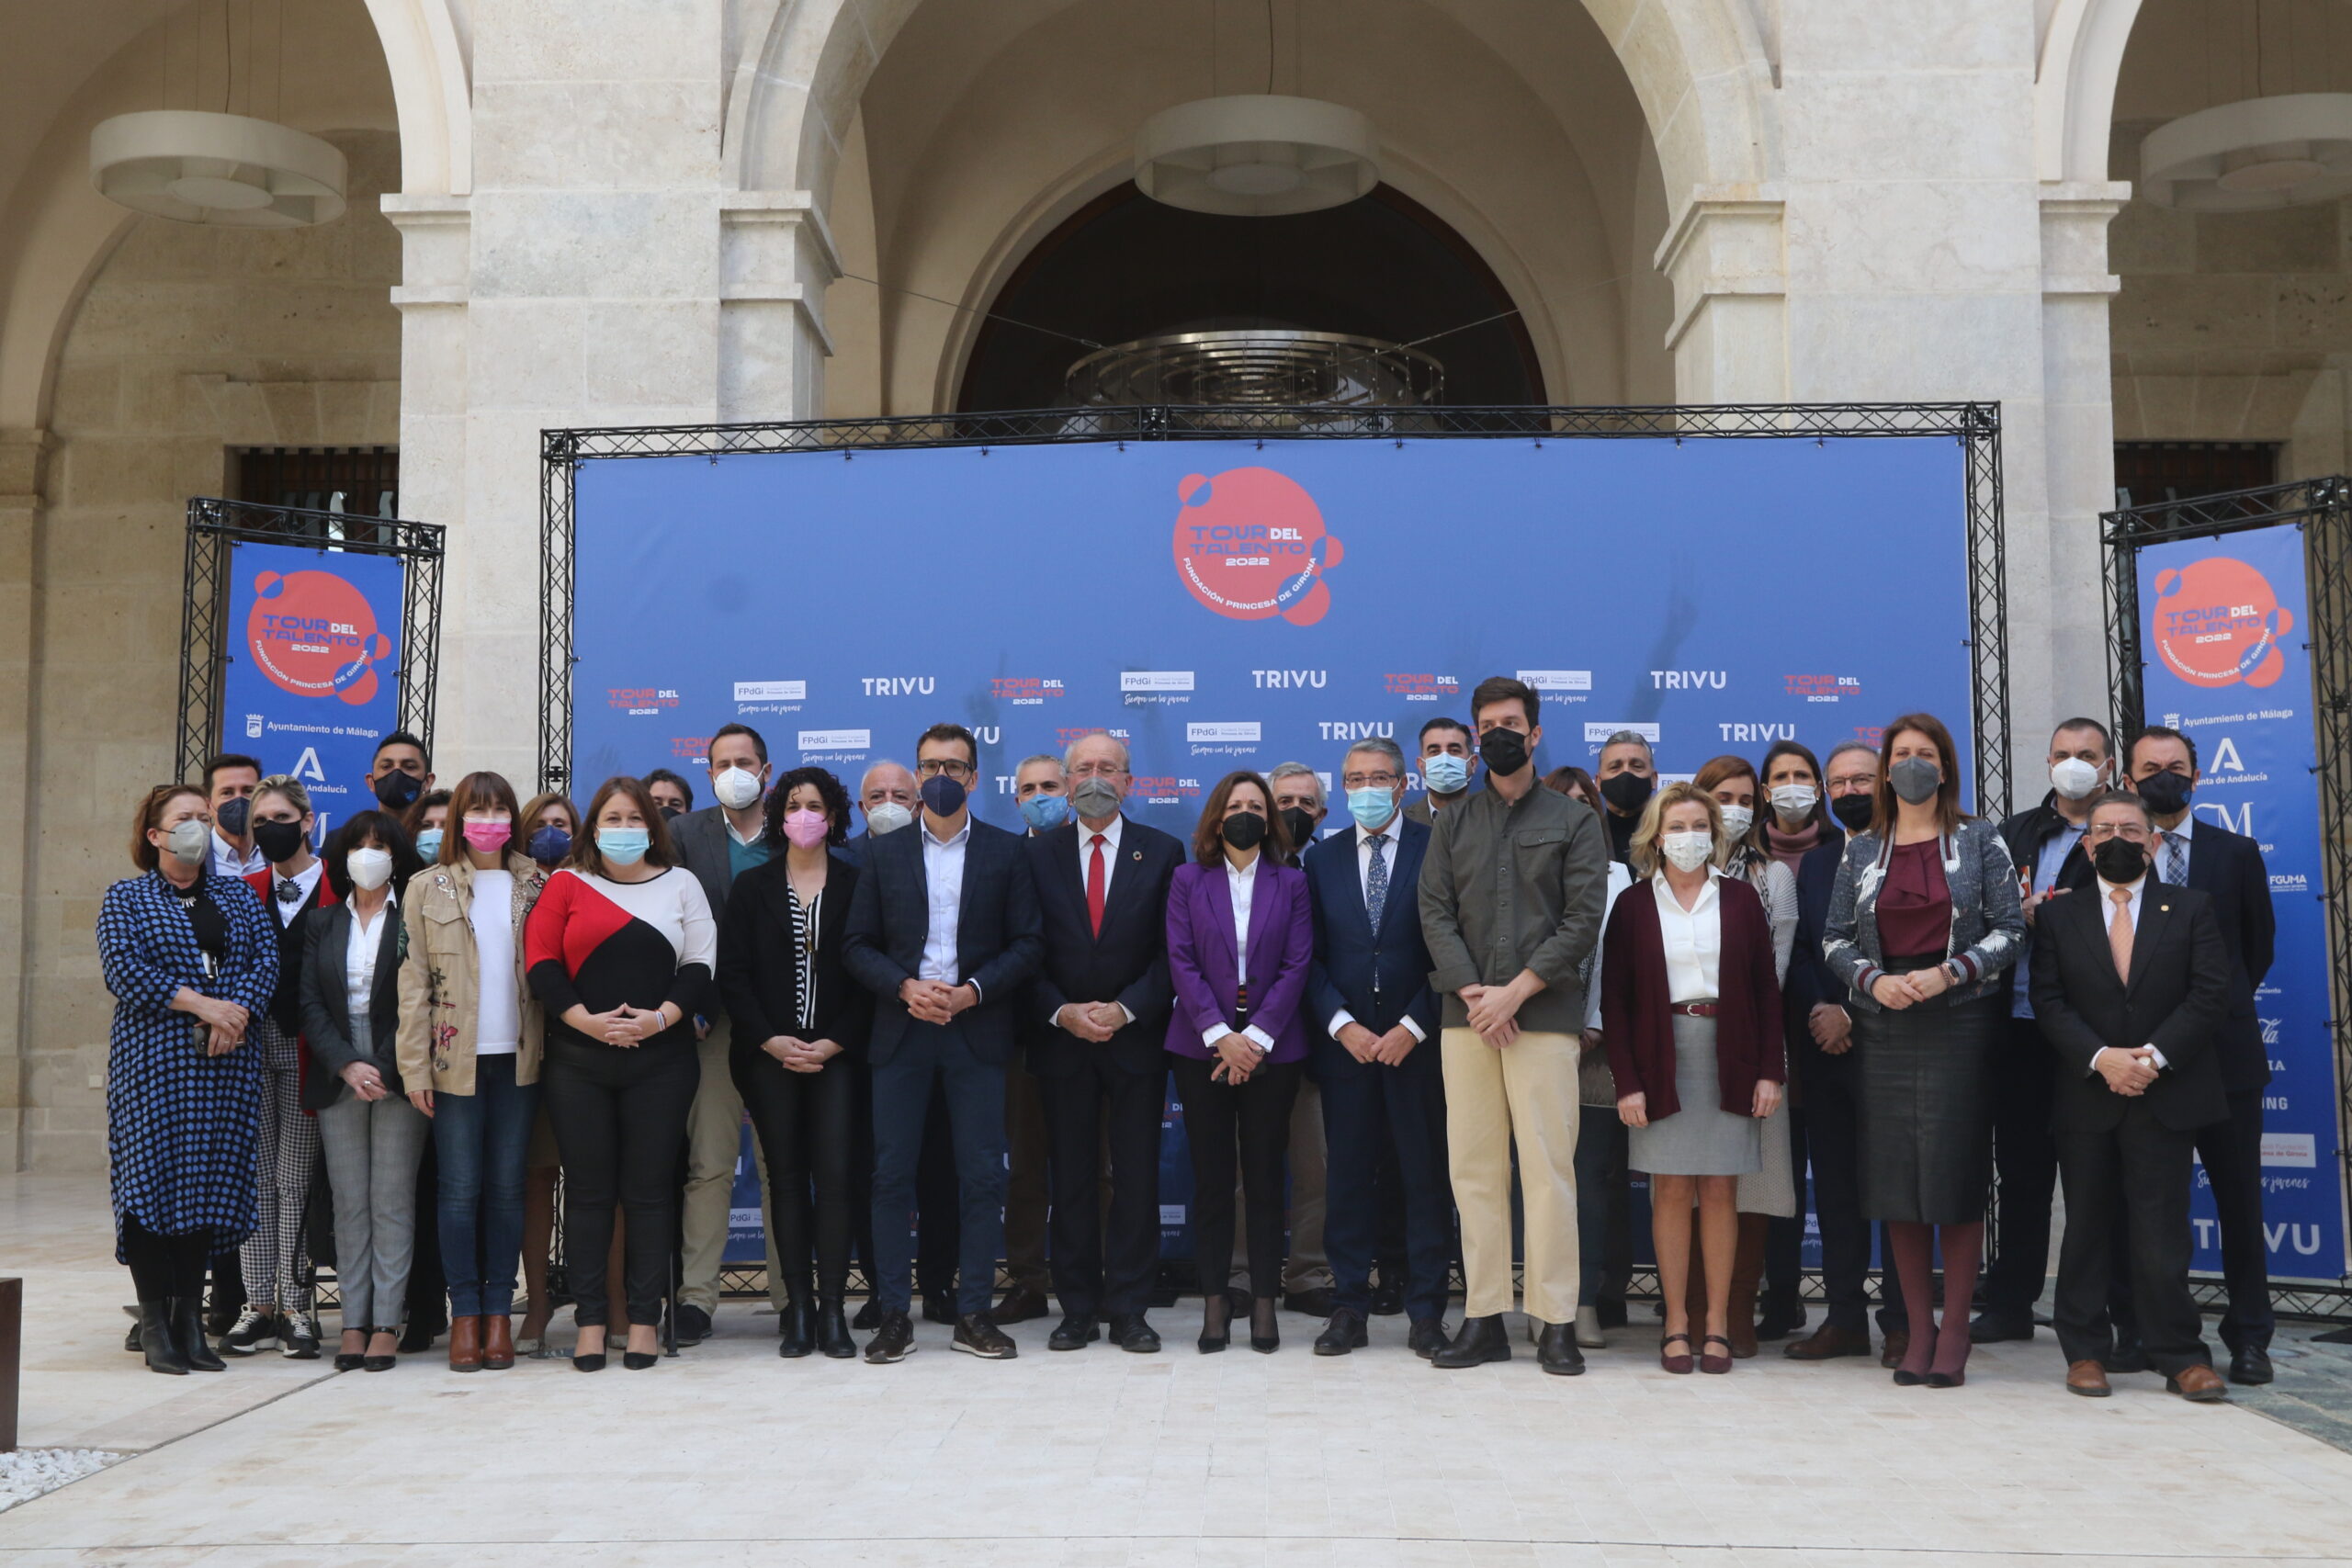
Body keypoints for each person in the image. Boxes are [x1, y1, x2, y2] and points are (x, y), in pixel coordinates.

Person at [1824, 713, 2025, 1388]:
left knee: (1954, 1177)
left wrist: (1950, 972)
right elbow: (1832, 940)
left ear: (1945, 766)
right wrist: (1874, 981)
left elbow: (2010, 930)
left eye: (1925, 753)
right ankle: (1917, 1328)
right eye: (1901, 752)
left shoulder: (1980, 838)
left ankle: (1957, 1328)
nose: (1912, 762)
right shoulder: (1861, 850)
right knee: (1895, 1183)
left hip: (1959, 1022)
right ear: (1887, 768)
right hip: (1882, 1024)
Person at [1418, 675, 1607, 1375]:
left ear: (1534, 733)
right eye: (1485, 725)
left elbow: (1583, 918)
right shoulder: (1453, 823)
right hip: (1465, 1019)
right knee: (1473, 1169)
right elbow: (1434, 912)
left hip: (1544, 1016)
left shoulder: (1574, 819)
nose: (1497, 734)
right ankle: (1485, 1316)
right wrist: (1476, 994)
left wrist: (1516, 992)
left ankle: (1555, 1319)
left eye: (1510, 723)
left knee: (1548, 1169)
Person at [842, 723, 1043, 1362]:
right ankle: (895, 1313)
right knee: (891, 1175)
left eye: (955, 767)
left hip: (975, 1031)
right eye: (931, 764)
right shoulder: (883, 853)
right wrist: (904, 987)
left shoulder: (1009, 853)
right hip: (902, 1032)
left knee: (982, 1176)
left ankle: (974, 1310)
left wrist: (973, 990)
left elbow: (1029, 944)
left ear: (975, 778)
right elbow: (855, 945)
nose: (941, 776)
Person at [2029, 790, 2231, 1403]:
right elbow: (2048, 1000)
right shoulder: (2059, 916)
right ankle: (2086, 1351)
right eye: (2104, 828)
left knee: (2161, 1230)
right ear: (2087, 844)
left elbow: (2209, 993)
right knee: (2086, 1225)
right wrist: (2102, 1058)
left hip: (2164, 1092)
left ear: (2153, 841)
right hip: (2088, 1092)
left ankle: (2180, 1355)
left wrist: (2151, 1058)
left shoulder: (2192, 907)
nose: (2118, 837)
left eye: (2131, 827)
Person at [526, 775, 716, 1372]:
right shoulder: (565, 882)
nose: (625, 830)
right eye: (613, 818)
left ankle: (642, 1320)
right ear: (594, 826)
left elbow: (701, 964)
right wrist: (588, 1022)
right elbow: (541, 962)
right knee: (587, 1194)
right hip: (578, 1061)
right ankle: (588, 1321)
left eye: (636, 819)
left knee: (649, 1193)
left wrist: (658, 1020)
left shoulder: (682, 884)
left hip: (662, 1060)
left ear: (652, 828)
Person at [1603, 784, 1785, 1375]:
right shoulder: (1632, 905)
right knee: (1672, 1191)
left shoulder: (1739, 900)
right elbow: (1617, 1002)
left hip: (1729, 1050)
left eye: (1697, 826)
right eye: (1676, 827)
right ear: (1656, 836)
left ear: (1715, 833)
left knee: (1720, 1192)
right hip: (1661, 1053)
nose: (1688, 837)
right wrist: (1626, 1082)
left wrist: (1769, 1071)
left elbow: (1765, 990)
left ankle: (1717, 1327)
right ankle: (1676, 1323)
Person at [99, 784, 277, 1375]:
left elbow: (264, 963)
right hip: (153, 1065)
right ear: (155, 835)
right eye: (187, 818)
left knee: (205, 1191)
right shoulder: (126, 898)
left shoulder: (237, 895)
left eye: (205, 817)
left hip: (226, 1065)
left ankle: (188, 1324)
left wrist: (237, 1012)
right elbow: (123, 969)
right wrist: (203, 1006)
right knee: (152, 1188)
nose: (200, 825)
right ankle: (154, 1324)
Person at [2125, 726, 2277, 1384]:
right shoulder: (2115, 850)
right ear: (2129, 780)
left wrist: (2206, 1017)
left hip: (2227, 1060)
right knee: (2149, 1208)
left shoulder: (2236, 852)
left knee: (2240, 1201)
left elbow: (2256, 948)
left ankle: (2248, 1337)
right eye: (2151, 767)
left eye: (2177, 766)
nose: (2165, 776)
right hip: (2143, 1063)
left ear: (2197, 776)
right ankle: (2145, 1329)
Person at [1024, 734, 1183, 1352]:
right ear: (1066, 782)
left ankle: (1130, 1308)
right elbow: (1024, 948)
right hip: (1062, 1040)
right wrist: (1063, 1011)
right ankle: (1078, 1308)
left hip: (1135, 1040)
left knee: (1137, 1178)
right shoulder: (1036, 857)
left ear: (1130, 781)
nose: (1095, 778)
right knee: (1072, 1180)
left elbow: (1174, 953)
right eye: (1083, 769)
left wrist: (1123, 1009)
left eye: (1108, 769)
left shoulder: (1162, 851)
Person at [395, 771, 550, 1373]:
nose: (488, 819)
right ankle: (465, 1315)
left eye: (499, 809)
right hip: (451, 1060)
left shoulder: (536, 883)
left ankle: (496, 1314)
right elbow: (412, 986)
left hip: (520, 1059)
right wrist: (414, 1069)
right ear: (459, 817)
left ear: (513, 818)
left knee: (508, 1190)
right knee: (460, 1191)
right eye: (476, 809)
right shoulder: (425, 886)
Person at [1302, 738, 1449, 1358]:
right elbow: (1303, 957)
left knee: (1424, 1181)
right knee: (1349, 1182)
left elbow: (1452, 947)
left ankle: (1426, 1312)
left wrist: (1412, 1026)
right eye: (1354, 778)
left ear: (1402, 783)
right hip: (1348, 1050)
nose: (1366, 787)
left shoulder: (1437, 848)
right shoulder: (1322, 859)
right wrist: (1342, 1024)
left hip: (1419, 1045)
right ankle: (1348, 1306)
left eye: (1378, 777)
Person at [718, 767, 869, 1359]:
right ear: (779, 816)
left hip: (839, 1056)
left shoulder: (859, 883)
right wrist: (770, 1040)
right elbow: (733, 974)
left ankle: (834, 1309)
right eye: (794, 805)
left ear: (833, 817)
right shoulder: (753, 888)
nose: (804, 815)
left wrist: (834, 1042)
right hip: (768, 1057)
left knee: (833, 1181)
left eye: (816, 806)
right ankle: (798, 1310)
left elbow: (869, 970)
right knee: (784, 1181)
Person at [1165, 771, 1314, 1354]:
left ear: (1270, 818)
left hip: (1274, 1050)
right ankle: (1214, 1303)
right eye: (1235, 805)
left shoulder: (1292, 881)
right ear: (1216, 817)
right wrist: (1221, 1036)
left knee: (1264, 1180)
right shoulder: (1186, 879)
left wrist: (1256, 1040)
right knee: (1210, 1181)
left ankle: (1264, 1305)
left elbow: (1298, 964)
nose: (1246, 814)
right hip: (1200, 1046)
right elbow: (1180, 959)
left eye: (1257, 805)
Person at [1976, 718, 2109, 1347]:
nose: (2074, 764)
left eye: (2087, 755)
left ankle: (2101, 1309)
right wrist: (2017, 915)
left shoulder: (2121, 830)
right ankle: (2010, 1303)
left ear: (2108, 766)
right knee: (2022, 1174)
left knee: (2095, 1178)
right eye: (2063, 754)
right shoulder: (2015, 832)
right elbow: (1979, 916)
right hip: (2020, 1029)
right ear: (2047, 760)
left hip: (2093, 1034)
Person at [1779, 740, 1909, 1365]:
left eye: (1863, 778)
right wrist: (1822, 1011)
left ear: (1884, 781)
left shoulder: (1916, 850)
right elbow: (1803, 948)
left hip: (1897, 1046)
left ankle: (1905, 1321)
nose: (1851, 789)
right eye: (1840, 782)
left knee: (1900, 1190)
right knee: (1835, 1189)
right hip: (1828, 1050)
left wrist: (1853, 1009)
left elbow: (1912, 951)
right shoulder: (1820, 862)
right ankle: (1846, 1318)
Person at [665, 723, 783, 1346]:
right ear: (707, 770)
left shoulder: (793, 830)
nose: (733, 770)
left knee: (779, 1164)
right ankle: (696, 1300)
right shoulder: (684, 833)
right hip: (711, 1022)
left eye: (745, 760)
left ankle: (793, 1297)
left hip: (779, 1025)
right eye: (721, 762)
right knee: (710, 1162)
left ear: (767, 769)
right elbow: (673, 924)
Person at [300, 811, 427, 1372]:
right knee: (350, 1203)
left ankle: (386, 1323)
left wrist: (382, 1065)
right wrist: (347, 1064)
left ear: (397, 857)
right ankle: (352, 1320)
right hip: (339, 1073)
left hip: (400, 1070)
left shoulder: (414, 918)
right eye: (359, 845)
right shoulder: (323, 921)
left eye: (380, 845)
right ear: (342, 855)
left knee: (393, 1201)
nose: (369, 854)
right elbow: (310, 1003)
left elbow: (423, 999)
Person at [219, 775, 337, 1359]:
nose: (269, 828)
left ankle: (295, 1302)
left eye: (281, 817)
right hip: (248, 1048)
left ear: (308, 821)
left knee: (295, 1180)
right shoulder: (243, 888)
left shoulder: (340, 886)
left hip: (310, 1049)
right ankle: (256, 1303)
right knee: (257, 1178)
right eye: (259, 820)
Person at [1688, 754, 1799, 1357]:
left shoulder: (1773, 878)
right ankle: (1693, 1309)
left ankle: (1735, 1311)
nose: (1732, 807)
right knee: (1688, 1179)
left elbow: (1774, 971)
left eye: (1742, 797)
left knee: (1751, 1179)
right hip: (1680, 1041)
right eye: (1719, 795)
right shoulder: (1666, 872)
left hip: (1752, 1039)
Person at [1248, 760, 1335, 1316]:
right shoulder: (1235, 867)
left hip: (1317, 1043)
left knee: (1314, 1167)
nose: (1295, 813)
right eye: (1284, 802)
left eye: (1306, 804)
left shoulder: (1328, 866)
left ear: (1323, 813)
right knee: (1241, 1170)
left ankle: (1308, 1274)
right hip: (1248, 1043)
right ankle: (1239, 1276)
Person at [996, 750, 1071, 1325]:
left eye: (1051, 785)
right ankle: (1027, 1280)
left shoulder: (1101, 848)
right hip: (1023, 1032)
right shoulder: (1001, 855)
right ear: (1014, 796)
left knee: (1097, 1167)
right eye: (1029, 788)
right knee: (1025, 1167)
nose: (1040, 796)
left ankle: (1089, 1278)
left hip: (1096, 1032)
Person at [513, 787, 581, 1350]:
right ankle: (535, 1306)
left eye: (562, 823)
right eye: (542, 823)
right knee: (536, 1182)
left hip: (584, 1047)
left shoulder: (591, 885)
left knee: (596, 1183)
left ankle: (598, 1303)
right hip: (522, 1049)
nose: (552, 832)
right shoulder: (509, 888)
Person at [1593, 731, 1657, 863]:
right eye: (1615, 767)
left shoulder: (1670, 835)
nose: (1626, 773)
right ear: (1598, 782)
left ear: (1653, 779)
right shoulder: (1586, 837)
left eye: (1637, 766)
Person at [203, 752, 266, 879]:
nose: (239, 799)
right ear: (208, 805)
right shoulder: (193, 861)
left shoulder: (279, 857)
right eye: (227, 792)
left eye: (248, 791)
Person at [1404, 716, 1475, 828]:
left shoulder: (1494, 820)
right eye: (1434, 751)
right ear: (1421, 765)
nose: (1444, 760)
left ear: (1473, 763)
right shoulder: (1401, 823)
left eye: (1454, 751)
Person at [366, 731, 435, 818]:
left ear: (428, 781)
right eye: (386, 766)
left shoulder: (443, 832)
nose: (397, 773)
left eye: (409, 767)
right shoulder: (354, 832)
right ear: (371, 782)